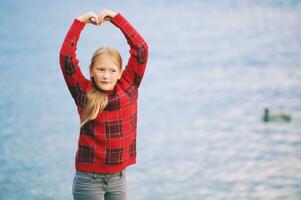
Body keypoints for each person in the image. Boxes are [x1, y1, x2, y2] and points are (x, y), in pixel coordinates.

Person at [59, 8, 148, 200]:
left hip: (118, 178)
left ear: (119, 72)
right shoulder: (83, 92)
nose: (106, 75)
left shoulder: (129, 87)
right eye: (100, 70)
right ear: (91, 70)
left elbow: (140, 49)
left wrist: (116, 19)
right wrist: (79, 23)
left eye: (112, 70)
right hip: (89, 180)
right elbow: (67, 57)